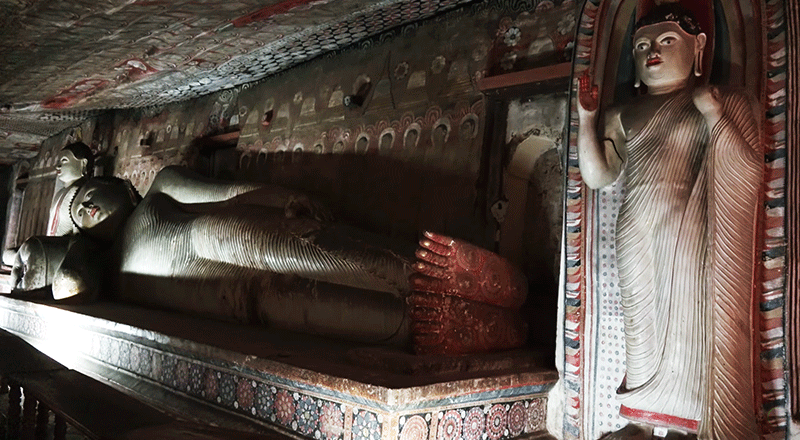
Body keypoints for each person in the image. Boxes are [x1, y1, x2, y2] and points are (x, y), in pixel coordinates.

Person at [12, 166, 528, 354]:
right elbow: (70, 288)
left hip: (220, 234)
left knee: (321, 254)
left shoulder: (159, 190)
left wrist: (278, 197)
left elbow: (222, 191)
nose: (88, 206)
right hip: (222, 299)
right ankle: (426, 324)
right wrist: (56, 258)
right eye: (80, 212)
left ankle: (435, 271)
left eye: (87, 192)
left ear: (114, 182)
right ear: (81, 235)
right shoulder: (110, 274)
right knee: (314, 309)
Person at [577, 3, 761, 439]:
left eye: (666, 41)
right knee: (640, 325)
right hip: (635, 228)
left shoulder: (726, 100)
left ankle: (689, 423)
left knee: (690, 321)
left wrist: (715, 115)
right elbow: (599, 176)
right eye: (642, 45)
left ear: (698, 48)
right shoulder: (624, 113)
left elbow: (751, 168)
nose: (652, 51)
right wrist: (587, 120)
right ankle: (640, 417)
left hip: (693, 229)